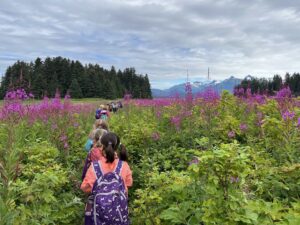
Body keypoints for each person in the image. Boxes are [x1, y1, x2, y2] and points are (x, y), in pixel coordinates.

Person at [81, 132, 132, 225]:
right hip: (119, 212)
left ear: (102, 147)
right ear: (116, 147)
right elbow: (128, 185)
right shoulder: (124, 166)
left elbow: (85, 188)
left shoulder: (94, 167)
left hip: (99, 214)